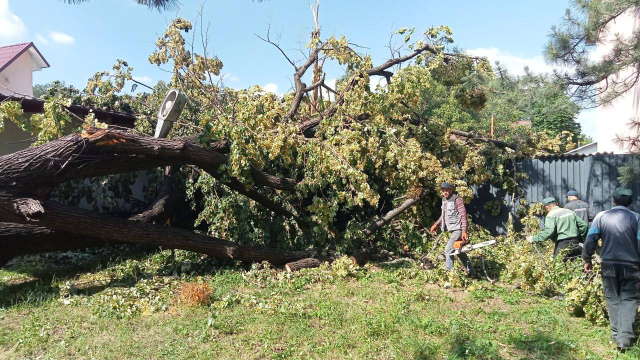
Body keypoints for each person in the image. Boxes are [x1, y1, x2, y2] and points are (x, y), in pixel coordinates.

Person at [582, 187, 640, 352]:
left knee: (613, 299)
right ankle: (624, 339)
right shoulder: (637, 218)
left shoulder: (601, 216)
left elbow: (591, 239)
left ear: (613, 200)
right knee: (629, 300)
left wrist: (587, 259)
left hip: (608, 265)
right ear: (630, 202)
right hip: (632, 266)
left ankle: (616, 335)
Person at [430, 182, 477, 277]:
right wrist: (436, 224)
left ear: (451, 190)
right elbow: (443, 215)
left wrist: (464, 231)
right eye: (443, 190)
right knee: (459, 252)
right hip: (453, 230)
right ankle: (472, 273)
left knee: (448, 250)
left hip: (458, 230)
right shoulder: (444, 200)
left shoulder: (457, 200)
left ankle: (450, 274)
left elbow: (463, 216)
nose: (445, 192)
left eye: (447, 190)